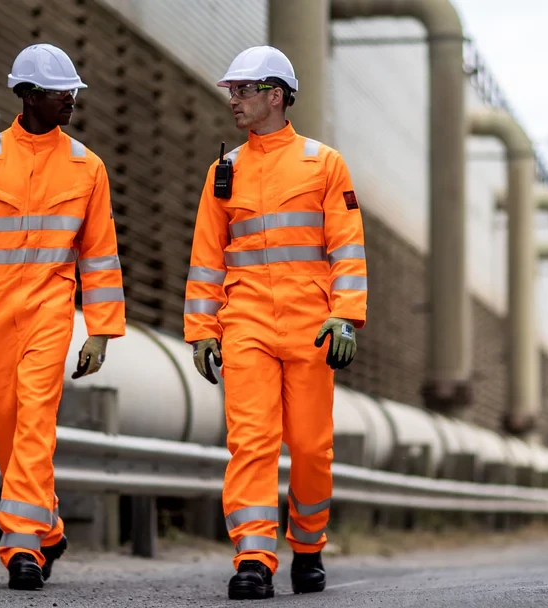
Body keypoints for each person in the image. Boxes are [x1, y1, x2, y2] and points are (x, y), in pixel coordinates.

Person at [0, 43, 126, 591]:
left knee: (36, 421)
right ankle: (50, 526)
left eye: (73, 92)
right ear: (29, 95)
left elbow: (101, 255)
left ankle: (20, 546)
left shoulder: (88, 168)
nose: (71, 101)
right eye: (62, 93)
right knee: (7, 431)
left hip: (50, 311)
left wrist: (102, 332)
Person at [183, 45, 367, 600]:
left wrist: (346, 318)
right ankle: (254, 558)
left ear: (276, 95)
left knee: (311, 447)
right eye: (232, 92)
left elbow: (348, 249)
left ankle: (307, 546)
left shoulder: (324, 163)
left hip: (312, 326)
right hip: (246, 326)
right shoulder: (225, 172)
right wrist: (201, 331)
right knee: (251, 442)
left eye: (243, 90)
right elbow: (206, 258)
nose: (233, 100)